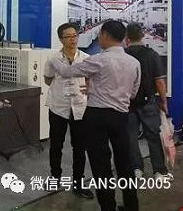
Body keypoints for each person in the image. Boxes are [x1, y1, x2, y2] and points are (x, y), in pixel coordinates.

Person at [49, 20, 140, 211]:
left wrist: (54, 61)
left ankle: (108, 207)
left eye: (100, 35)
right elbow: (133, 93)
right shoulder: (134, 63)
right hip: (121, 117)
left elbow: (67, 72)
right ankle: (132, 205)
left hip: (97, 117)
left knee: (101, 164)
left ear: (105, 36)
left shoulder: (98, 60)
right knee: (125, 163)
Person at [43, 23, 93, 199]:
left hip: (80, 107)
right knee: (56, 145)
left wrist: (87, 88)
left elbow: (90, 79)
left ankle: (78, 183)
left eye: (75, 35)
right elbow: (48, 79)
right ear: (61, 39)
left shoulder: (86, 58)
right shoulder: (53, 59)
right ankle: (55, 177)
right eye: (68, 36)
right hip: (59, 106)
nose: (73, 39)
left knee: (79, 147)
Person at [125, 23, 172, 181]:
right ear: (143, 35)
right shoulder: (152, 55)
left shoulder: (124, 55)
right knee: (153, 136)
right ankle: (159, 171)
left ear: (127, 38)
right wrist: (163, 102)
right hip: (148, 102)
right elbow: (159, 81)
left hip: (127, 103)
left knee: (131, 137)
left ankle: (136, 169)